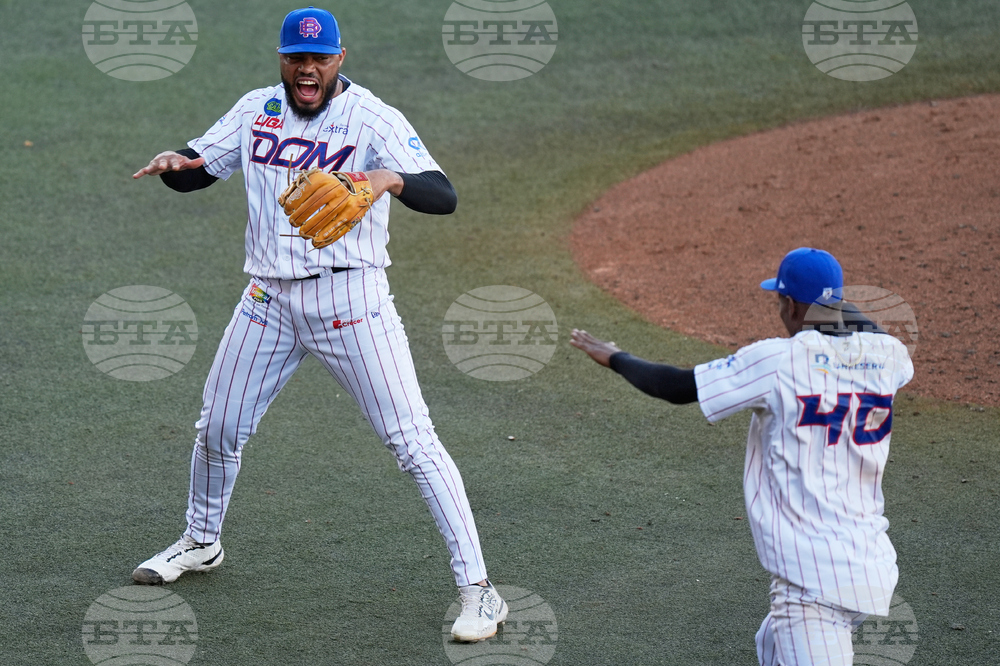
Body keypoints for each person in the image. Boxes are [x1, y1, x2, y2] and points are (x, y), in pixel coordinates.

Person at [130, 6, 506, 642]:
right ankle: (201, 540)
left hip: (352, 303)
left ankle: (480, 591)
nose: (308, 69)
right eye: (296, 58)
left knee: (413, 443)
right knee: (218, 425)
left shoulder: (374, 119)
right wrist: (176, 164)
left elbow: (443, 195)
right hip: (267, 300)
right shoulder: (257, 109)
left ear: (339, 59)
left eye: (320, 58)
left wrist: (385, 177)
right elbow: (200, 168)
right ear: (282, 59)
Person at [571, 247, 913, 665]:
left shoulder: (778, 359)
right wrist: (830, 300)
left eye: (780, 302)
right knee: (772, 645)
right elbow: (866, 329)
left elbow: (677, 387)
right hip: (871, 568)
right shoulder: (889, 355)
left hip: (810, 587)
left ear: (789, 305)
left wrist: (615, 357)